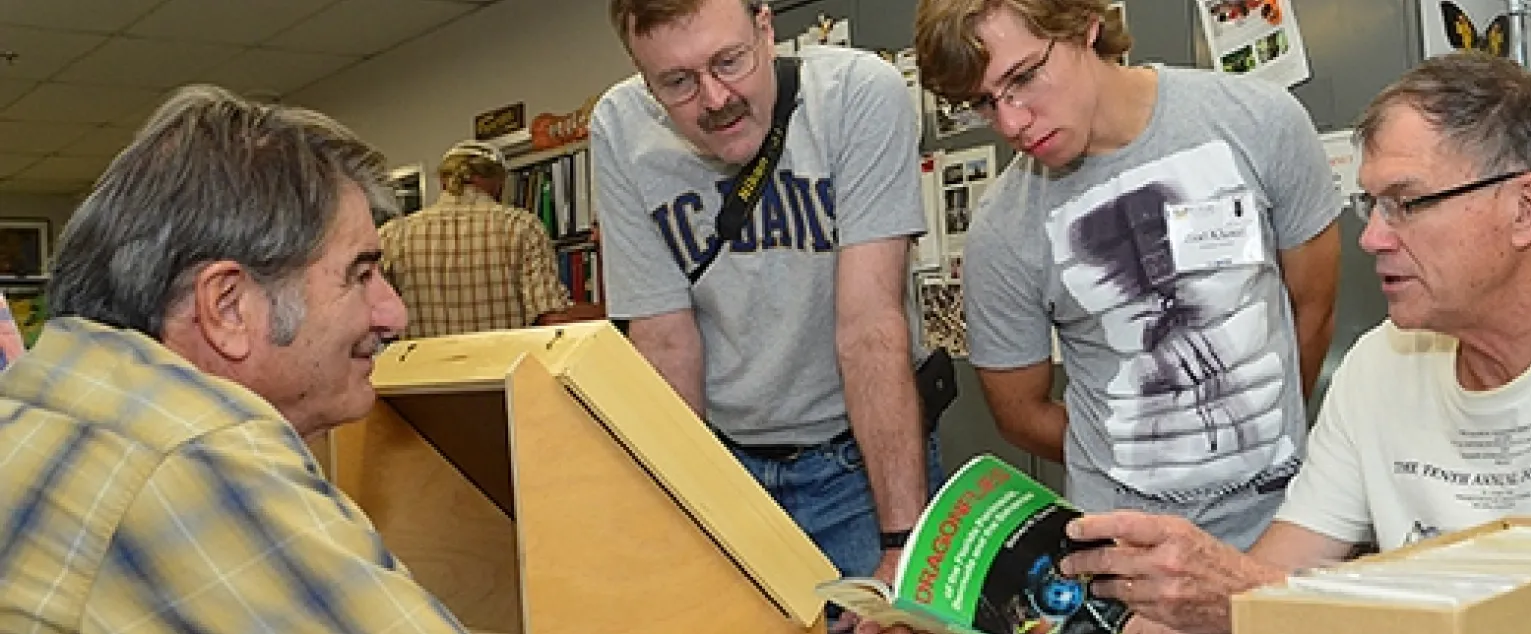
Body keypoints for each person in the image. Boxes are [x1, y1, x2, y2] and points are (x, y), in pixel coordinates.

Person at [1040, 52, 1531, 634]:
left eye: (1406, 204)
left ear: (1527, 209)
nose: (1371, 238)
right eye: (1372, 204)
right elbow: (1273, 576)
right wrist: (1176, 604)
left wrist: (1244, 600)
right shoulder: (1380, 365)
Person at [0, 85, 468, 632]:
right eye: (360, 273)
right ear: (227, 307)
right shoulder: (199, 449)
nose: (394, 314)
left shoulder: (43, 395)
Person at [912, 0, 1342, 550]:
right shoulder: (1002, 230)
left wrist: (1261, 428)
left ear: (1085, 25)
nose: (1012, 122)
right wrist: (1126, 450)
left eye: (1023, 78)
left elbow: (1315, 309)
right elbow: (1020, 413)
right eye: (983, 103)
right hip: (1122, 552)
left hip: (1283, 525)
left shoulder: (1257, 120)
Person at [595, 0, 939, 591]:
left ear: (765, 26)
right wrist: (690, 519)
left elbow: (869, 327)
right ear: (641, 75)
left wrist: (900, 544)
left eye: (730, 61)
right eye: (676, 82)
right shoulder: (619, 127)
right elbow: (664, 343)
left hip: (859, 466)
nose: (715, 99)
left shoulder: (857, 94)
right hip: (727, 462)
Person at [378, 140, 600, 339]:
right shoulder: (521, 227)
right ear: (499, 183)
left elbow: (375, 319)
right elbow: (551, 319)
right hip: (500, 377)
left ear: (443, 182)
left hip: (419, 379)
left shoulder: (392, 236)